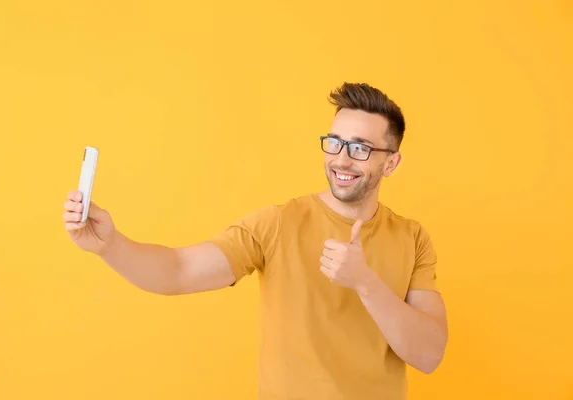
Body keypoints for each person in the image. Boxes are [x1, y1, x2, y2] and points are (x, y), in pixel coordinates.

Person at [62, 82, 448, 400]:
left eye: (361, 148)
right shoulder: (278, 224)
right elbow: (177, 272)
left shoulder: (412, 238)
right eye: (334, 142)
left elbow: (429, 355)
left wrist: (365, 282)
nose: (342, 159)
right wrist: (109, 245)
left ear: (391, 162)